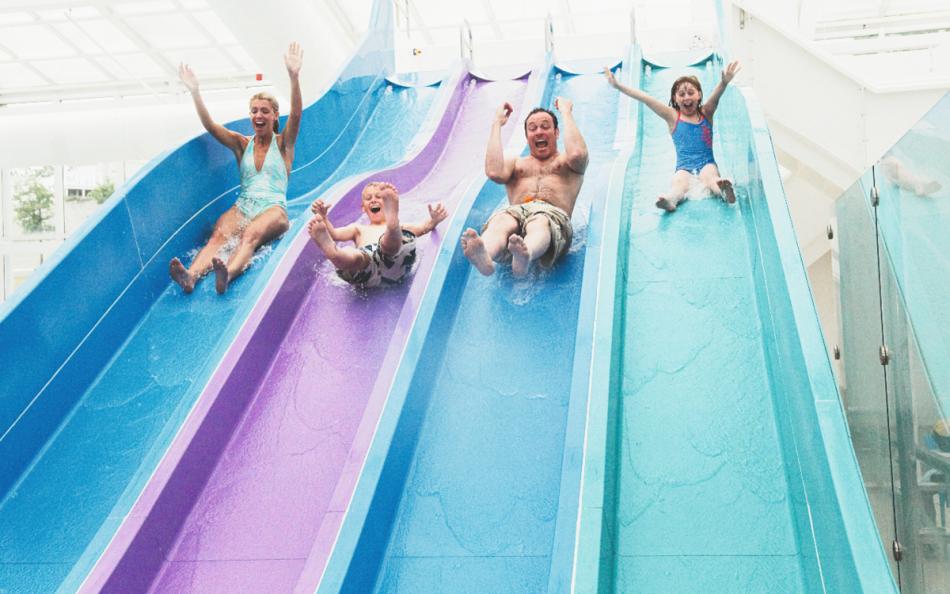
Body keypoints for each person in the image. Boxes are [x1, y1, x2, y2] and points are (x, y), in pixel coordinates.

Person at [169, 42, 303, 294]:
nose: (258, 115)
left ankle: (227, 273)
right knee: (219, 235)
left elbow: (296, 115)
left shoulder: (284, 143)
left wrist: (294, 77)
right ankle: (191, 276)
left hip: (273, 208)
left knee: (250, 235)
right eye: (254, 111)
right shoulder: (242, 145)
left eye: (264, 111)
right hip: (244, 204)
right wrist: (195, 92)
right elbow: (211, 126)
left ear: (275, 115)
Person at [461, 97, 589, 277]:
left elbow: (577, 153)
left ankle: (525, 254)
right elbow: (493, 172)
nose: (539, 132)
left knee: (539, 222)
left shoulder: (568, 163)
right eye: (532, 128)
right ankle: (486, 256)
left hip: (552, 218)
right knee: (501, 220)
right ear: (527, 136)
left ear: (557, 132)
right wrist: (496, 124)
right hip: (517, 215)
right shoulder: (516, 164)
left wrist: (566, 112)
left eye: (545, 126)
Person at [604, 61, 740, 212]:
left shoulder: (706, 113)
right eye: (681, 94)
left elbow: (717, 96)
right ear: (675, 99)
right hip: (683, 167)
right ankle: (670, 201)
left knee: (710, 178)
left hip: (707, 162)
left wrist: (724, 82)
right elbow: (645, 98)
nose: (686, 97)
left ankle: (723, 190)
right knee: (678, 183)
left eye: (690, 92)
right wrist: (618, 86)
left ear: (699, 95)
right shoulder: (673, 117)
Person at [307, 182, 447, 288]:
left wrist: (433, 220)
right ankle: (334, 254)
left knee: (392, 242)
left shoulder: (402, 227)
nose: (373, 200)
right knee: (354, 256)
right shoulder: (358, 229)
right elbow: (335, 234)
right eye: (369, 198)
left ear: (385, 204)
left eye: (378, 197)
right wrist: (323, 217)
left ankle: (391, 226)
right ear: (363, 208)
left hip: (395, 262)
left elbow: (424, 228)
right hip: (365, 272)